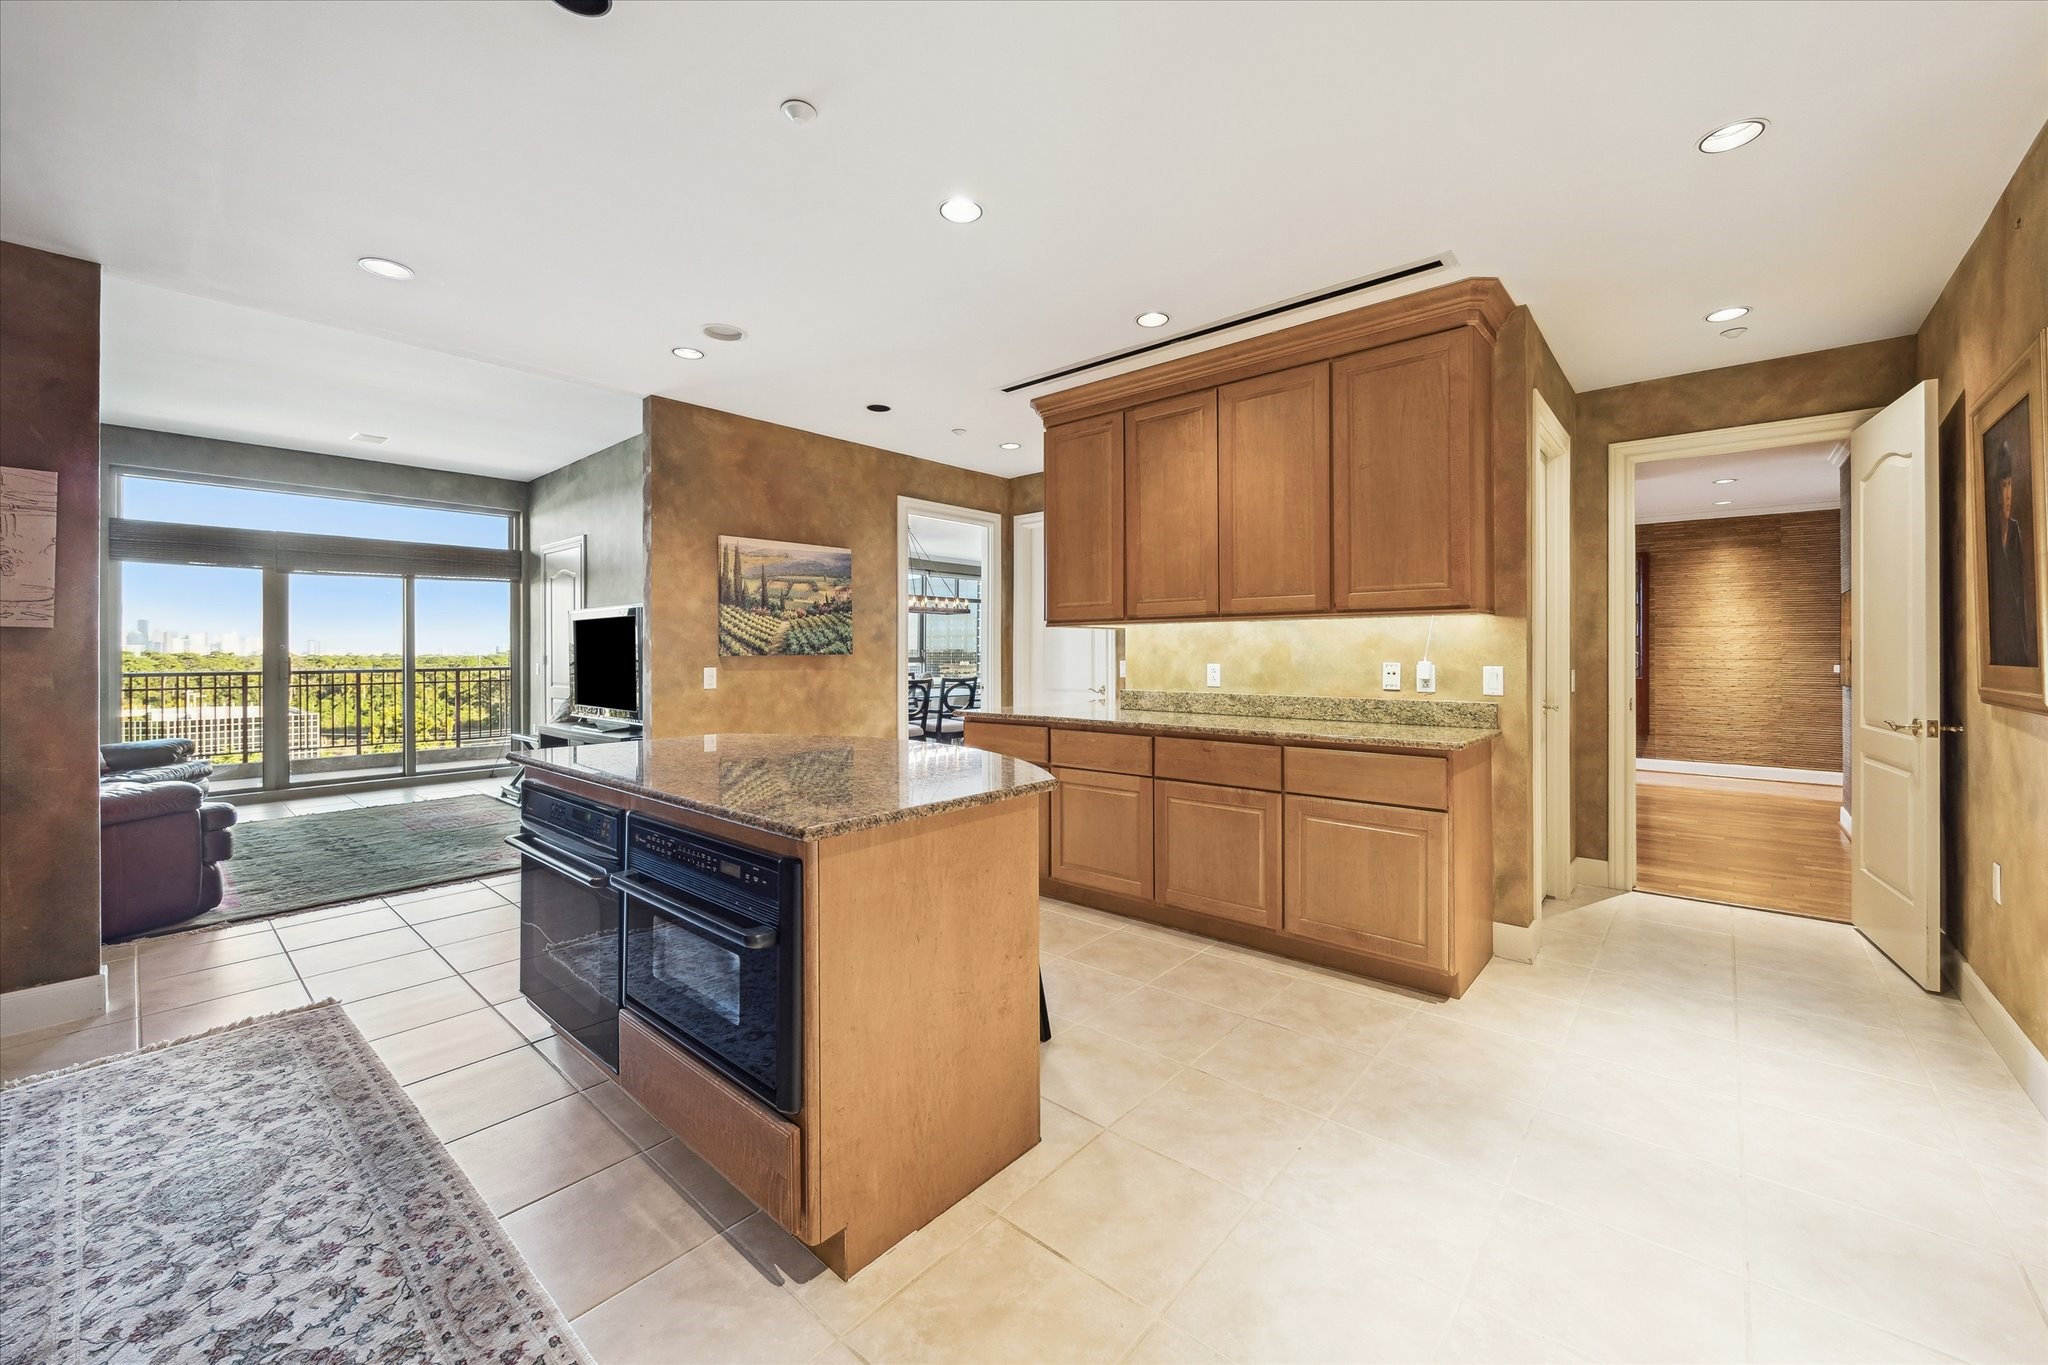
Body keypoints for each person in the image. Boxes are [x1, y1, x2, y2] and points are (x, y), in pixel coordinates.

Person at [1986, 437, 2040, 668]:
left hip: (2015, 638)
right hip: (1998, 637)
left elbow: (2021, 593)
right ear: (1996, 490)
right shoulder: (1990, 533)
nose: (2008, 494)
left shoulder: (2015, 531)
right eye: (2003, 485)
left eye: (2010, 484)